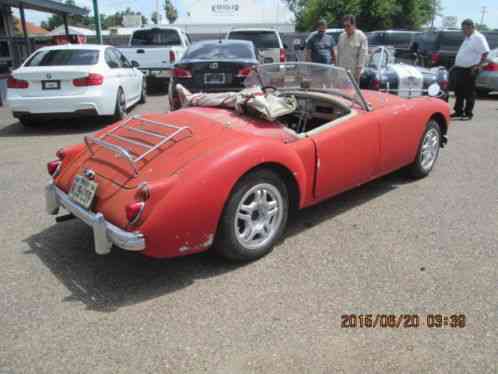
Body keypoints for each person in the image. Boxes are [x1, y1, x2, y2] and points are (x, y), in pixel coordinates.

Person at [451, 19, 490, 120]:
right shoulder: (467, 37)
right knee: (459, 91)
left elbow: (485, 53)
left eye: (465, 29)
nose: (463, 31)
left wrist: (478, 66)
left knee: (469, 92)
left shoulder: (478, 37)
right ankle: (458, 111)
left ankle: (468, 113)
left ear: (471, 27)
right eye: (462, 29)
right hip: (460, 68)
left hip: (470, 69)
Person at [336, 15, 368, 82]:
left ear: (354, 25)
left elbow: (363, 56)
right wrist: (337, 69)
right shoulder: (341, 36)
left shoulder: (361, 36)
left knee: (352, 92)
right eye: (344, 26)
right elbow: (338, 54)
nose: (346, 28)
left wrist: (358, 73)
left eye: (348, 26)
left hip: (353, 75)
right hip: (341, 73)